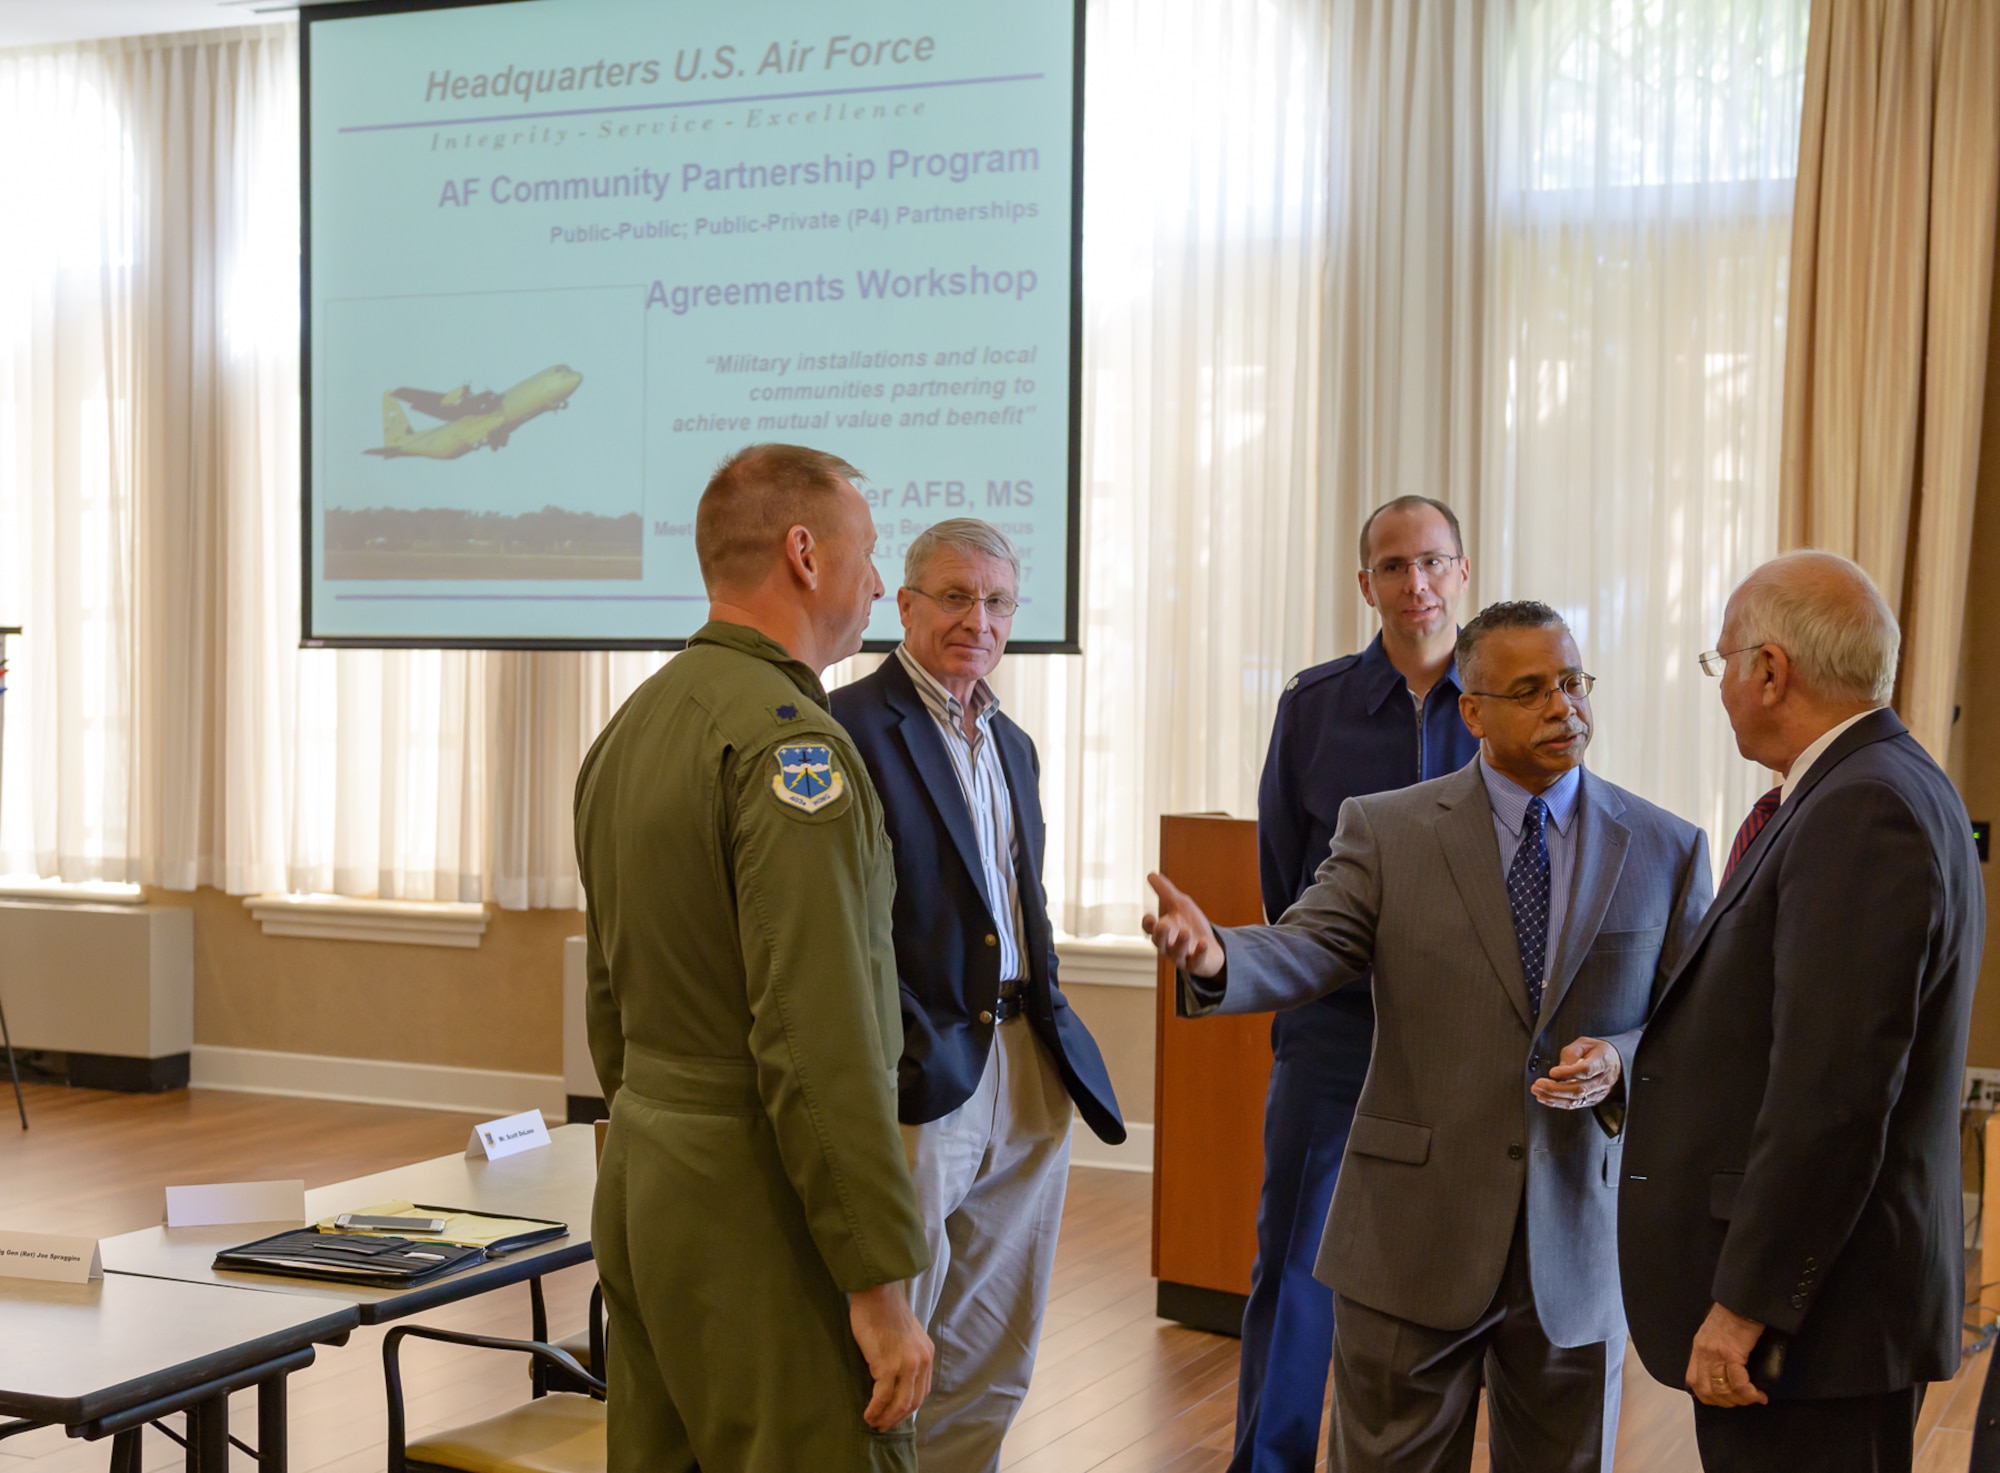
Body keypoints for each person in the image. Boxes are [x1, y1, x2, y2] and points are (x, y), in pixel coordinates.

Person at [1147, 600, 1711, 1472]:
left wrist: (1621, 1060)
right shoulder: (1386, 829)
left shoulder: (1667, 847)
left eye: (1572, 682)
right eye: (1530, 690)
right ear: (1472, 710)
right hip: (1410, 1238)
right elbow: (1309, 945)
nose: (1564, 706)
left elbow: (1691, 1028)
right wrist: (1219, 953)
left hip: (1575, 1246)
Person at [574, 444, 934, 1473]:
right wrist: (875, 1282)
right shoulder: (791, 752)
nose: (875, 585)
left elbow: (609, 1001)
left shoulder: (632, 729)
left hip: (647, 1178)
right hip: (758, 1207)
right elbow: (815, 1038)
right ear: (804, 553)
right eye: (867, 557)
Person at [1619, 551, 1985, 1472]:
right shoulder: (1872, 782)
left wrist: (1744, 1307)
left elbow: (1832, 1094)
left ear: (1771, 669)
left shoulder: (1862, 807)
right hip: (1826, 1313)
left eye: (1722, 663)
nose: (1723, 687)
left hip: (1816, 1325)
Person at [831, 517, 1125, 1471]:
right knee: (893, 1347)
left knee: (996, 1345)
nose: (977, 618)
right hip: (924, 1069)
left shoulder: (1014, 742)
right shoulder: (849, 729)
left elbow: (1018, 905)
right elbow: (848, 929)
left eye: (997, 600)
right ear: (904, 604)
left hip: (1026, 1060)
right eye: (954, 596)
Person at [1234, 495, 1481, 1470]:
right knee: (1292, 1270)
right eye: (1391, 566)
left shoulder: (1512, 695)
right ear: (1363, 583)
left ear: (1460, 571)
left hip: (1469, 1041)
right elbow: (1283, 876)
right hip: (1333, 1037)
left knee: (1449, 1275)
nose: (1412, 584)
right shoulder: (1313, 706)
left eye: (1429, 563)